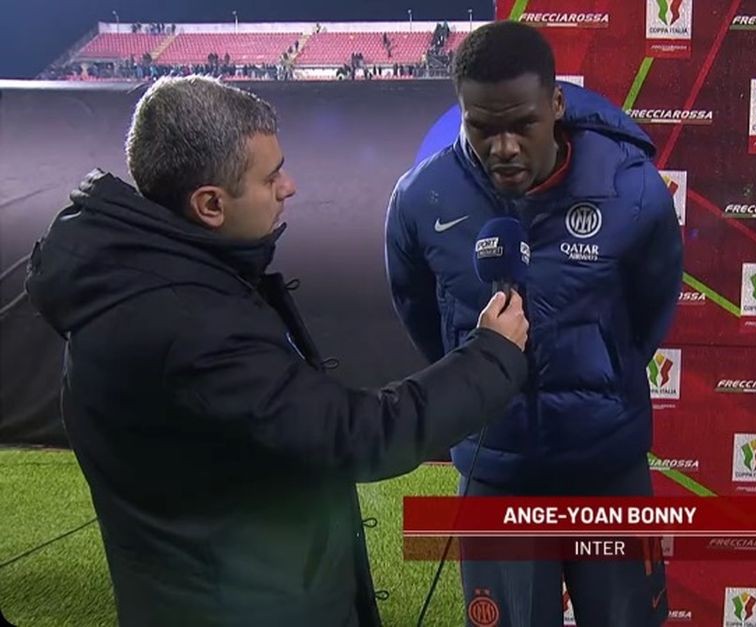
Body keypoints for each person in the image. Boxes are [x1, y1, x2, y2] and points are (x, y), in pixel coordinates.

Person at [24, 75, 529, 627]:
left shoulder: (134, 276)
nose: (288, 186)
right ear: (210, 204)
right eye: (270, 177)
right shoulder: (186, 324)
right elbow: (356, 435)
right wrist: (491, 355)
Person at [385, 20, 683, 627]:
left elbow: (653, 307)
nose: (504, 147)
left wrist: (603, 369)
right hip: (497, 470)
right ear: (462, 112)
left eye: (522, 124)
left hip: (607, 465)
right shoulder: (421, 198)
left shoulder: (630, 187)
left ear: (556, 104)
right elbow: (420, 313)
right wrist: (481, 387)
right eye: (483, 127)